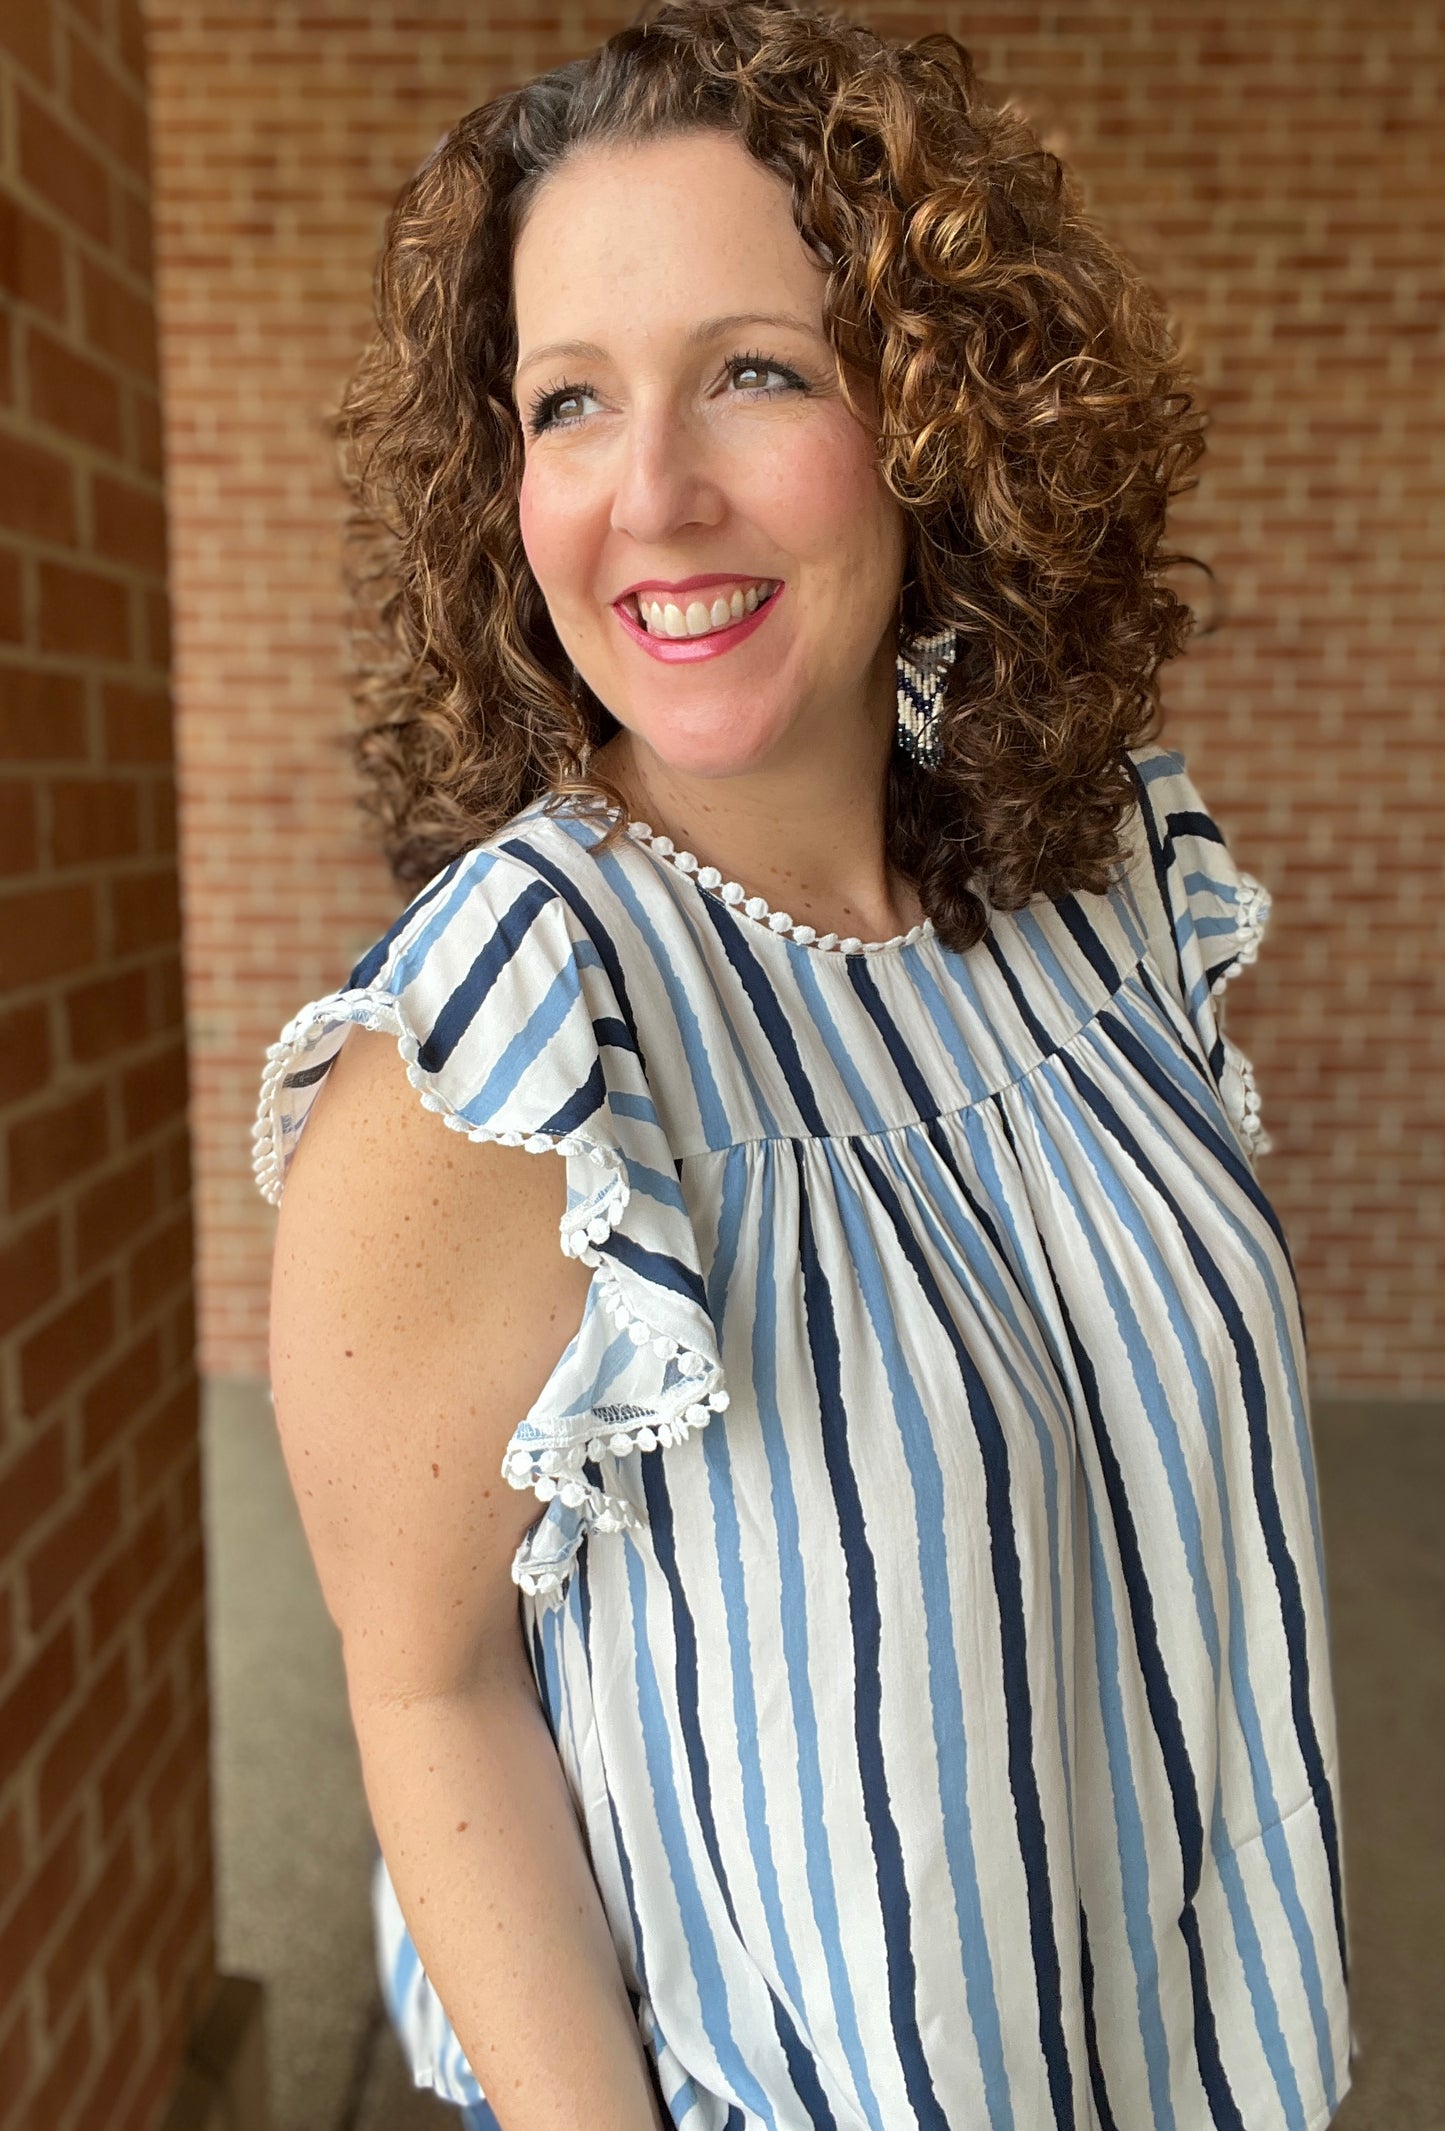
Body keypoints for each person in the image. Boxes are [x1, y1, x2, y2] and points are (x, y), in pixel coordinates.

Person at [252, 3, 1353, 2126]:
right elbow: (429, 1688)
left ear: (940, 418)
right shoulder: (497, 1058)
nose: (651, 493)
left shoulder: (1103, 880)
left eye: (755, 370)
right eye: (569, 401)